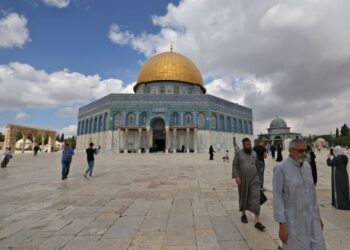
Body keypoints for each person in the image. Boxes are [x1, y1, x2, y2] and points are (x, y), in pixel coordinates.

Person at [273, 139, 326, 249]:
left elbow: (312, 195)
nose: (304, 154)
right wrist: (282, 225)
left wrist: (318, 217)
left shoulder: (307, 166)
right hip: (293, 221)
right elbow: (278, 198)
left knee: (318, 246)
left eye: (305, 151)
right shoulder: (281, 168)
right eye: (301, 151)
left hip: (312, 219)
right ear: (291, 151)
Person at [232, 138, 265, 231]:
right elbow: (235, 165)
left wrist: (259, 178)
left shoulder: (254, 153)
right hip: (243, 180)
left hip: (254, 179)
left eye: (250, 144)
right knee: (243, 196)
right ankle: (243, 214)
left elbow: (258, 166)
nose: (249, 146)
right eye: (247, 144)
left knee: (256, 197)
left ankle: (257, 221)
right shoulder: (238, 153)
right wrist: (236, 176)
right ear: (243, 145)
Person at [326, 145, 350, 210]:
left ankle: (341, 205)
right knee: (344, 190)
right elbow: (338, 163)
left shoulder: (337, 158)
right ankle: (346, 203)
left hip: (338, 176)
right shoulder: (345, 157)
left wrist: (328, 157)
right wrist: (334, 156)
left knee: (338, 190)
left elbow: (329, 163)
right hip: (344, 175)